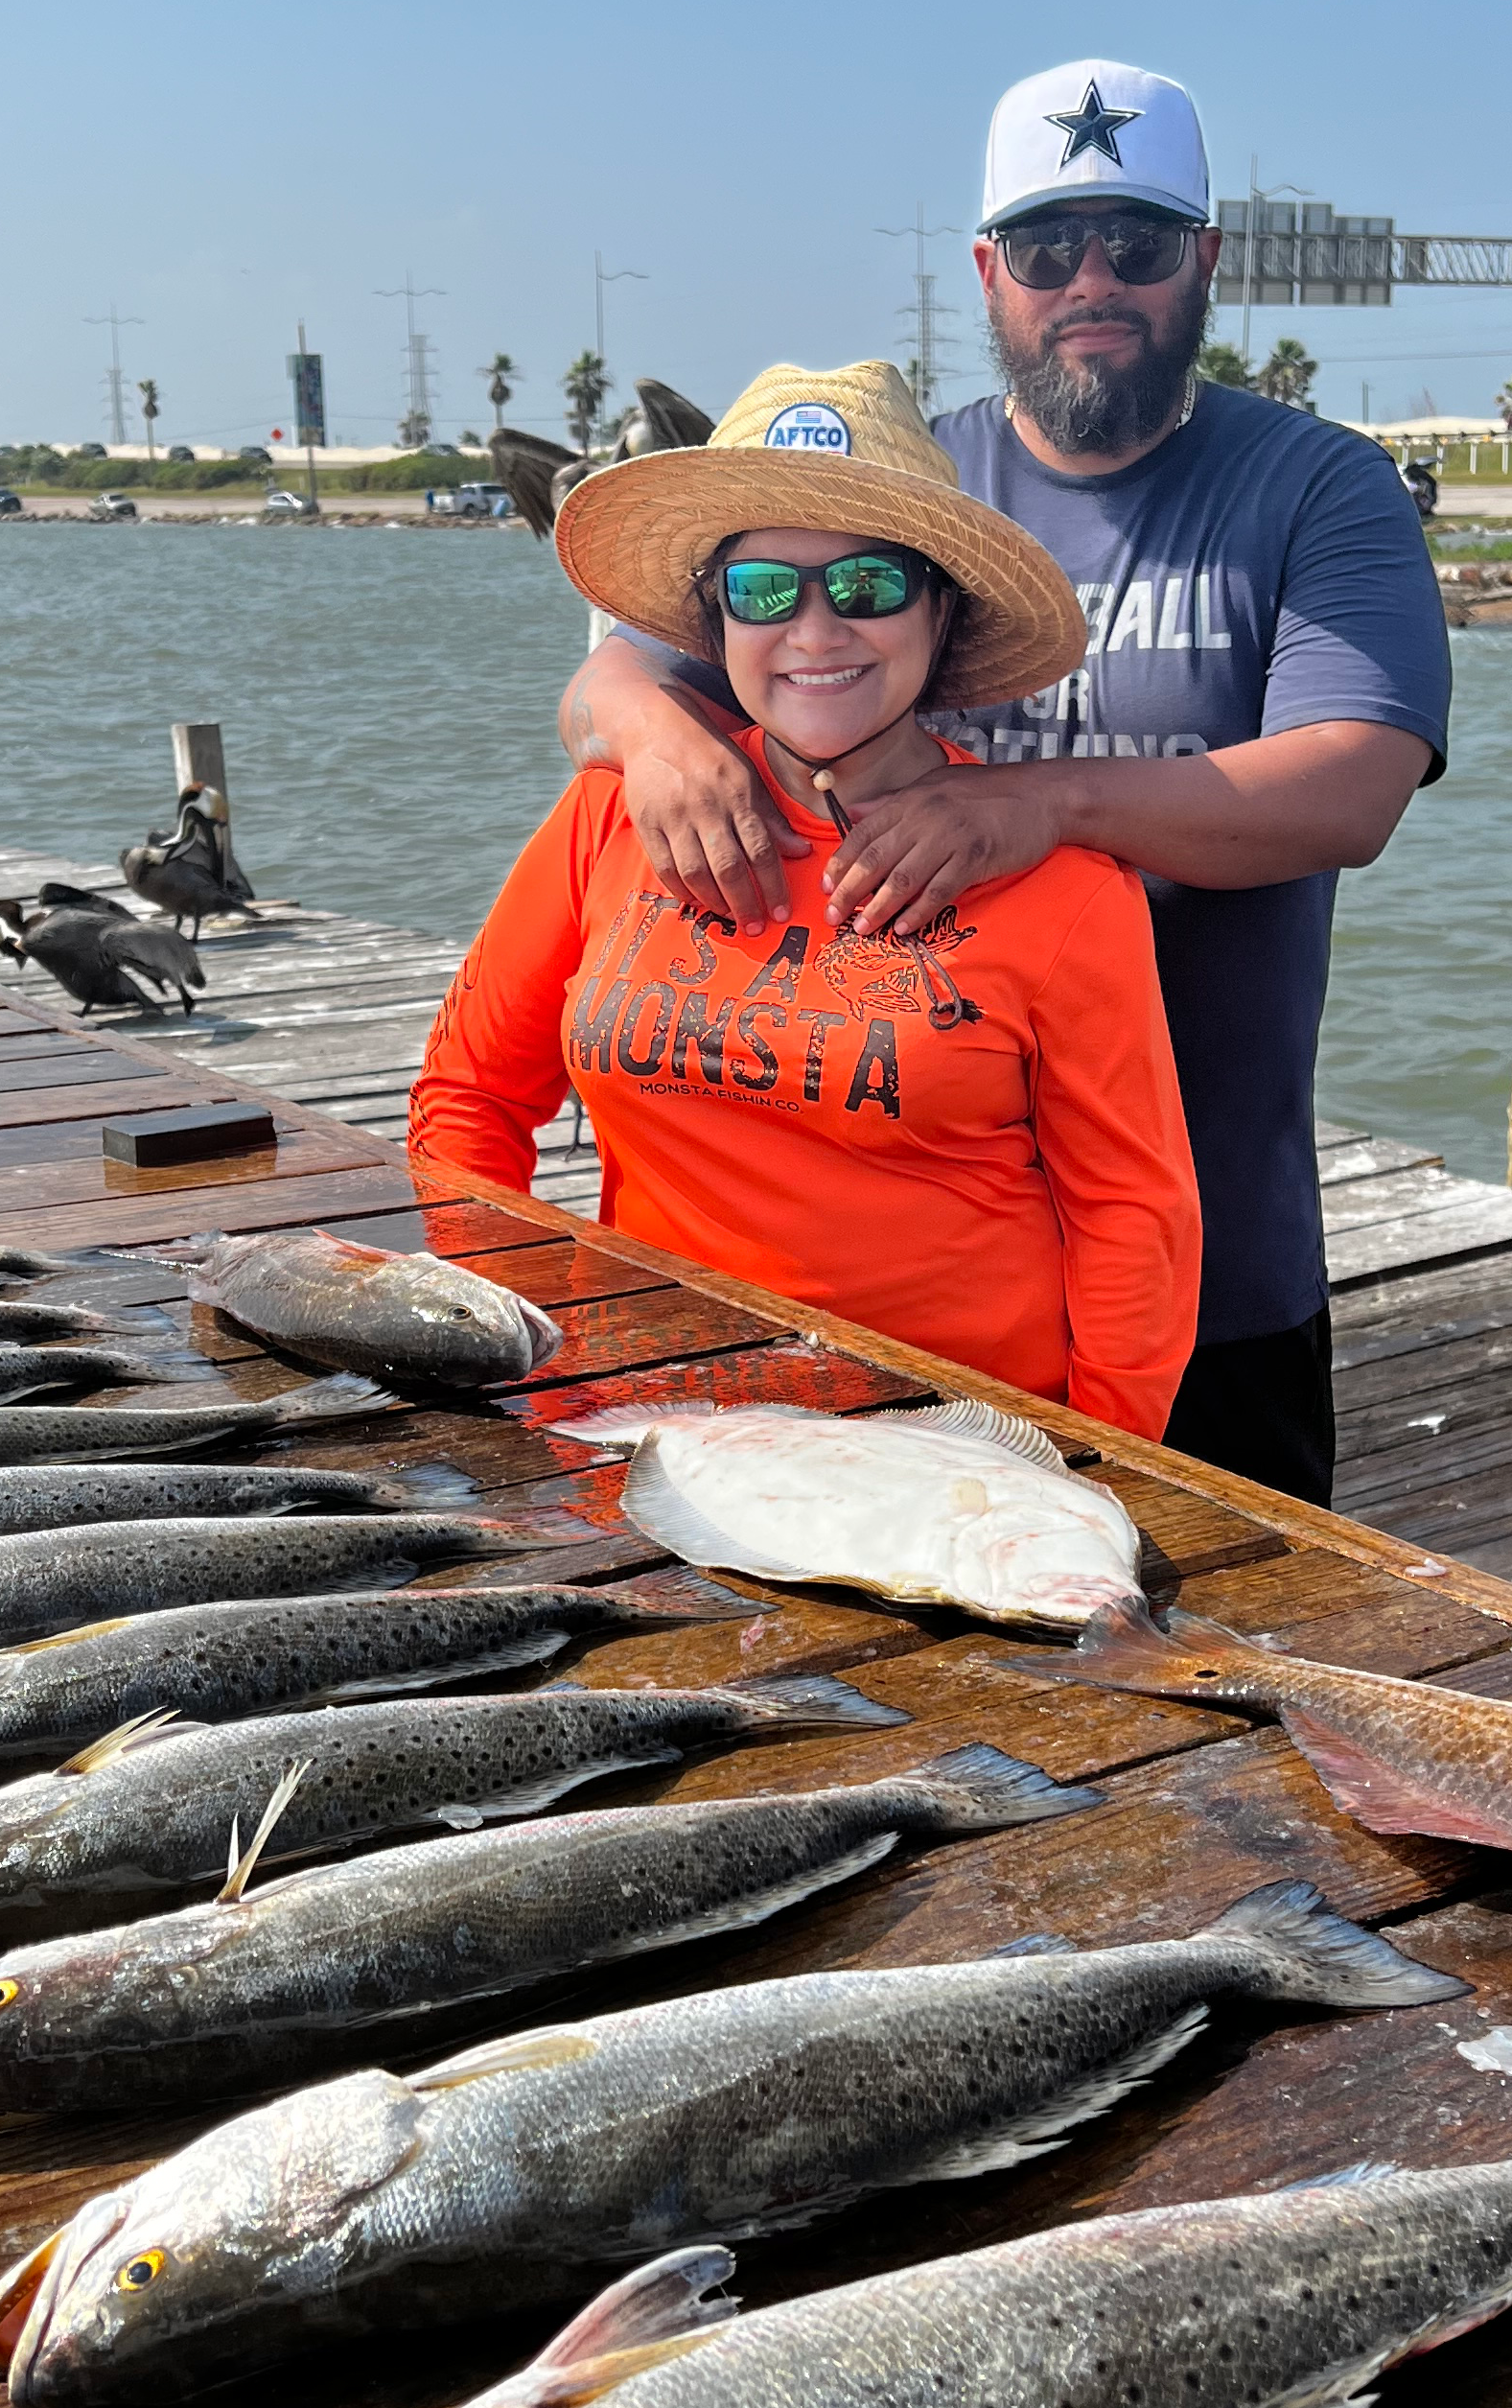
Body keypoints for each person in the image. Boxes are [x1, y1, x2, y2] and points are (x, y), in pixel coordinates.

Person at [555, 58, 1451, 1506]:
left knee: (1215, 1669)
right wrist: (653, 736)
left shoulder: (1317, 485)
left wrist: (1039, 802)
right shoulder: (901, 483)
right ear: (989, 271)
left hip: (1209, 1251)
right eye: (1047, 248)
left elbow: (1353, 787)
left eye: (1138, 244)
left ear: (1205, 260)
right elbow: (628, 669)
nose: (1090, 281)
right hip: (905, 1289)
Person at [409, 361, 1201, 1441]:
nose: (816, 633)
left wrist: (1100, 1464)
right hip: (644, 1417)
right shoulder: (609, 815)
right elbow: (469, 1099)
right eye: (765, 592)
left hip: (949, 1442)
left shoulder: (1067, 890)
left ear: (942, 613)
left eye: (870, 586)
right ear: (715, 621)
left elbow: (1133, 1222)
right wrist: (502, 1338)